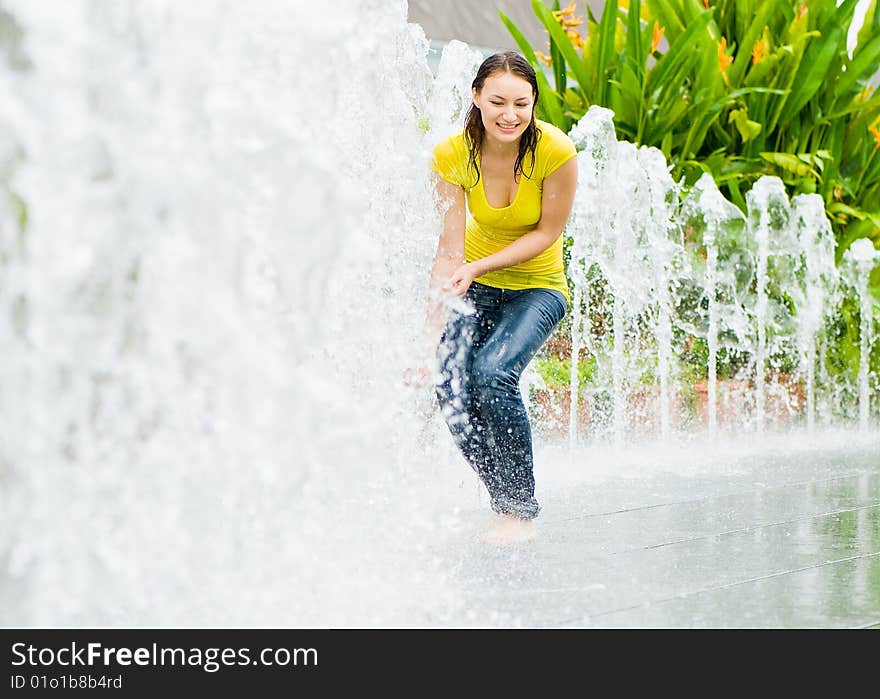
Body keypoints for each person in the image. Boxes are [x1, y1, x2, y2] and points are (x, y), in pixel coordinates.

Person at [410, 51, 577, 544]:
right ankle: (503, 499)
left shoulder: (555, 151)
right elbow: (448, 251)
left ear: (533, 104)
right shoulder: (452, 155)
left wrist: (477, 266)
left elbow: (547, 233)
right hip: (475, 283)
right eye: (498, 100)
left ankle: (521, 509)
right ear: (476, 97)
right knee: (449, 384)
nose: (510, 114)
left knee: (491, 373)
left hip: (538, 288)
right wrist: (428, 338)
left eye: (521, 104)